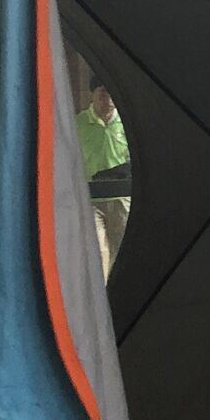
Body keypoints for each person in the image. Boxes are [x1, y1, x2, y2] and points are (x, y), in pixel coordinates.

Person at [76, 82, 131, 276]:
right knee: (97, 251)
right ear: (93, 95)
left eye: (110, 95)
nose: (107, 100)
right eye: (102, 94)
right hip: (91, 198)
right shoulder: (79, 123)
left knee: (122, 251)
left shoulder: (126, 124)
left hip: (121, 198)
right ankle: (100, 290)